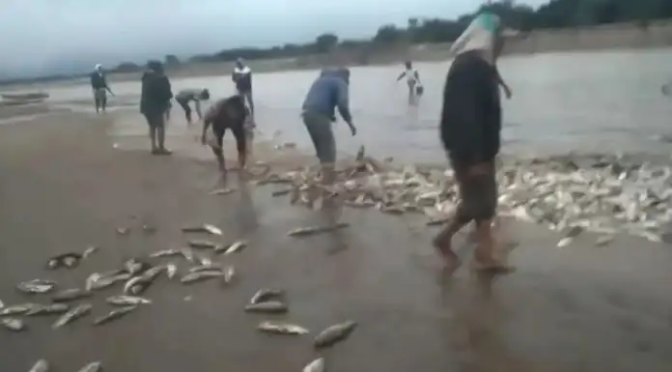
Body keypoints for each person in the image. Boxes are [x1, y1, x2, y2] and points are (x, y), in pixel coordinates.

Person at [433, 12, 512, 273]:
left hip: (474, 145)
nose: (502, 44)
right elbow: (464, 113)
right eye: (500, 39)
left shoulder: (477, 63)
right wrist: (477, 157)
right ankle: (450, 240)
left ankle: (482, 253)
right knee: (483, 202)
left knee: (481, 201)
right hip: (468, 147)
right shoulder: (470, 67)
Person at [301, 68, 357, 184]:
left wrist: (330, 115)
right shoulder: (340, 82)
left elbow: (318, 100)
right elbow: (342, 105)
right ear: (346, 77)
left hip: (306, 114)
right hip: (319, 115)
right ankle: (328, 182)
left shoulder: (322, 80)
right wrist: (350, 123)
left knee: (321, 149)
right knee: (329, 149)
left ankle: (323, 176)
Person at [200, 94, 249, 174]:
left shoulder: (242, 109)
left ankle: (241, 164)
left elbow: (248, 124)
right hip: (220, 122)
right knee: (217, 145)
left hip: (236, 123)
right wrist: (203, 133)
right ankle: (221, 165)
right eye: (233, 109)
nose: (236, 111)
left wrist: (247, 130)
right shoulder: (216, 110)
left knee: (241, 141)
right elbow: (207, 119)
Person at [140, 60, 173, 155]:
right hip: (156, 107)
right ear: (158, 68)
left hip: (145, 106)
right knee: (161, 127)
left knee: (152, 126)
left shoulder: (145, 78)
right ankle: (161, 148)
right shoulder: (161, 78)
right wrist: (168, 103)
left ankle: (153, 146)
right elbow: (166, 94)